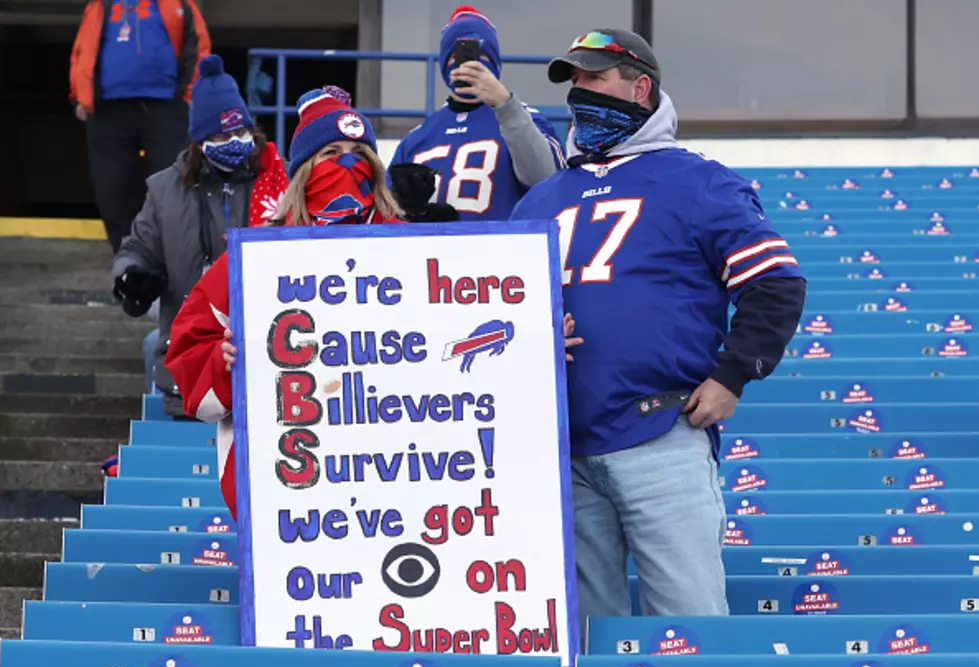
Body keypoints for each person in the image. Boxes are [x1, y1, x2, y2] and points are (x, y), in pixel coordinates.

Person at [510, 29, 807, 631]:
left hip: (661, 433)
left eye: (594, 77)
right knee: (591, 638)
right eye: (573, 80)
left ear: (640, 87)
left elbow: (776, 282)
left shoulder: (698, 179)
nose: (579, 92)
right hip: (561, 446)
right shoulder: (539, 198)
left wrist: (731, 375)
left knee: (691, 629)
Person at [164, 86, 405, 520]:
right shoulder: (252, 260)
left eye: (358, 151)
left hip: (390, 480)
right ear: (305, 170)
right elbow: (189, 351)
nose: (348, 162)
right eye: (332, 151)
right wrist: (224, 360)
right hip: (289, 491)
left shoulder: (416, 252)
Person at [111, 54, 289, 425]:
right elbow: (137, 250)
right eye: (223, 136)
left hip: (270, 359)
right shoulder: (164, 191)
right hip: (194, 360)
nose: (236, 142)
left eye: (242, 132)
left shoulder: (281, 180)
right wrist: (132, 277)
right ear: (200, 140)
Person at [387, 5, 566, 222]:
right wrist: (413, 212)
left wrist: (504, 104)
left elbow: (549, 183)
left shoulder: (527, 120)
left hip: (502, 252)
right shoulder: (416, 137)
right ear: (444, 62)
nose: (469, 64)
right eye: (456, 55)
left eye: (480, 53)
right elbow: (386, 213)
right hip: (435, 254)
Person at [70, 0, 211, 254]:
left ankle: (174, 269)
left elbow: (198, 47)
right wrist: (79, 96)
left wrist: (190, 98)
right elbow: (82, 50)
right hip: (106, 113)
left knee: (174, 191)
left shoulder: (180, 4)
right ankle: (128, 270)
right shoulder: (99, 5)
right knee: (112, 192)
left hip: (165, 110)